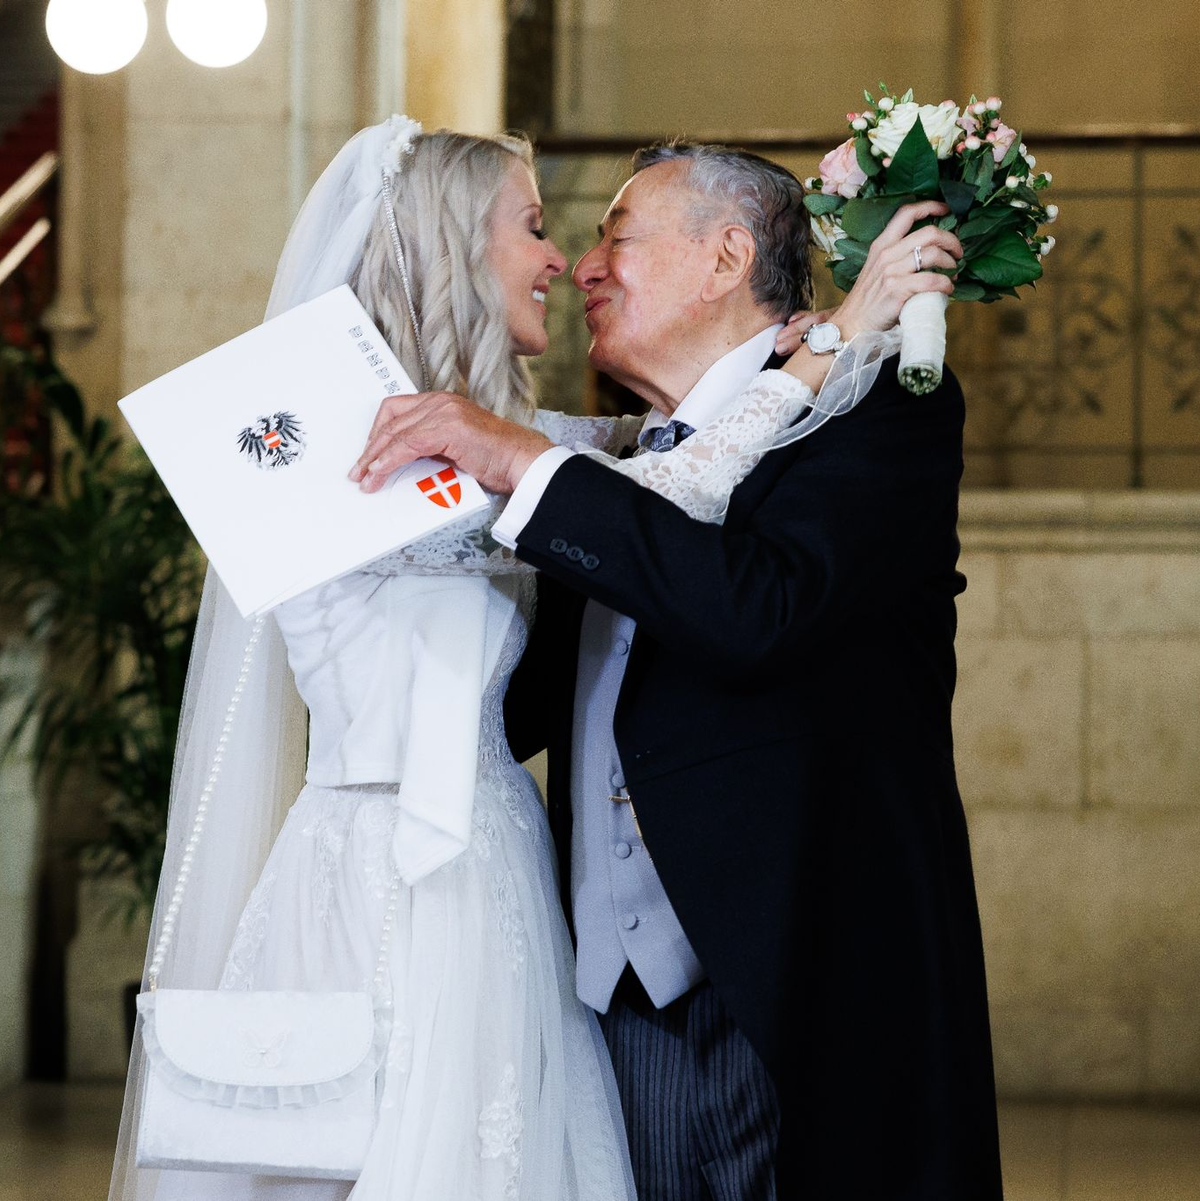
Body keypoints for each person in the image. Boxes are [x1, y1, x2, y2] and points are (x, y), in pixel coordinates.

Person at [351, 142, 1006, 1199]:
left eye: (617, 236)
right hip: (610, 1010)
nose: (585, 266)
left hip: (800, 990)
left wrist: (524, 466)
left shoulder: (876, 408)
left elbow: (755, 609)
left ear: (725, 258)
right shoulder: (611, 466)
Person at [109, 117, 645, 1201]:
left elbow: (629, 466)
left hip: (490, 862)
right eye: (533, 228)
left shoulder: (491, 439)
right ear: (450, 243)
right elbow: (625, 478)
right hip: (377, 872)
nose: (557, 260)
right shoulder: (342, 442)